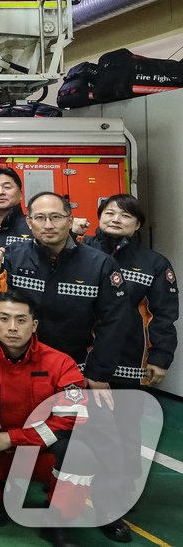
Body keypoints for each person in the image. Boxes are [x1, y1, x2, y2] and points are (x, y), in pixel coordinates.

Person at [0, 291, 94, 547]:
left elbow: (70, 421)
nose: (13, 327)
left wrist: (13, 438)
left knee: (79, 456)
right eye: (4, 318)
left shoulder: (62, 364)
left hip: (37, 453)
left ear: (34, 325)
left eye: (21, 320)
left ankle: (56, 520)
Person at [84, 193, 178, 542]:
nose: (116, 219)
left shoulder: (153, 263)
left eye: (126, 215)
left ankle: (120, 496)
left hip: (127, 359)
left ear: (138, 224)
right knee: (78, 429)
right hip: (81, 357)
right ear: (98, 217)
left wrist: (159, 357)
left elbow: (163, 315)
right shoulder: (80, 251)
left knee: (123, 430)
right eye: (109, 213)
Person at [0, 192, 132, 398]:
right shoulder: (12, 257)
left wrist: (98, 371)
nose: (48, 225)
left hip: (76, 366)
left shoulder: (100, 264)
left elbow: (115, 320)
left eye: (56, 217)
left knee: (72, 426)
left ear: (70, 220)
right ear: (29, 222)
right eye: (40, 218)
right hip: (19, 365)